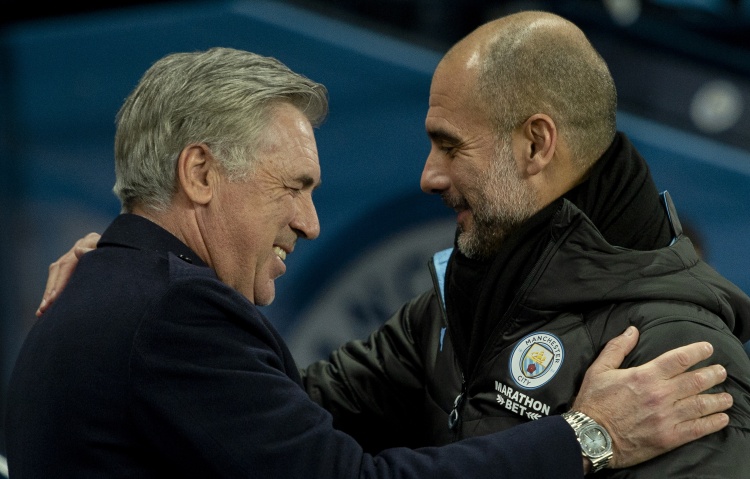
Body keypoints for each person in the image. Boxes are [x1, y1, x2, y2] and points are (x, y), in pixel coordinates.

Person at [22, 37, 735, 479]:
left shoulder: (679, 348)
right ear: (200, 173)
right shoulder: (170, 311)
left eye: (449, 145)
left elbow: (281, 415)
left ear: (537, 144)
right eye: (292, 187)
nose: (309, 222)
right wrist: (587, 436)